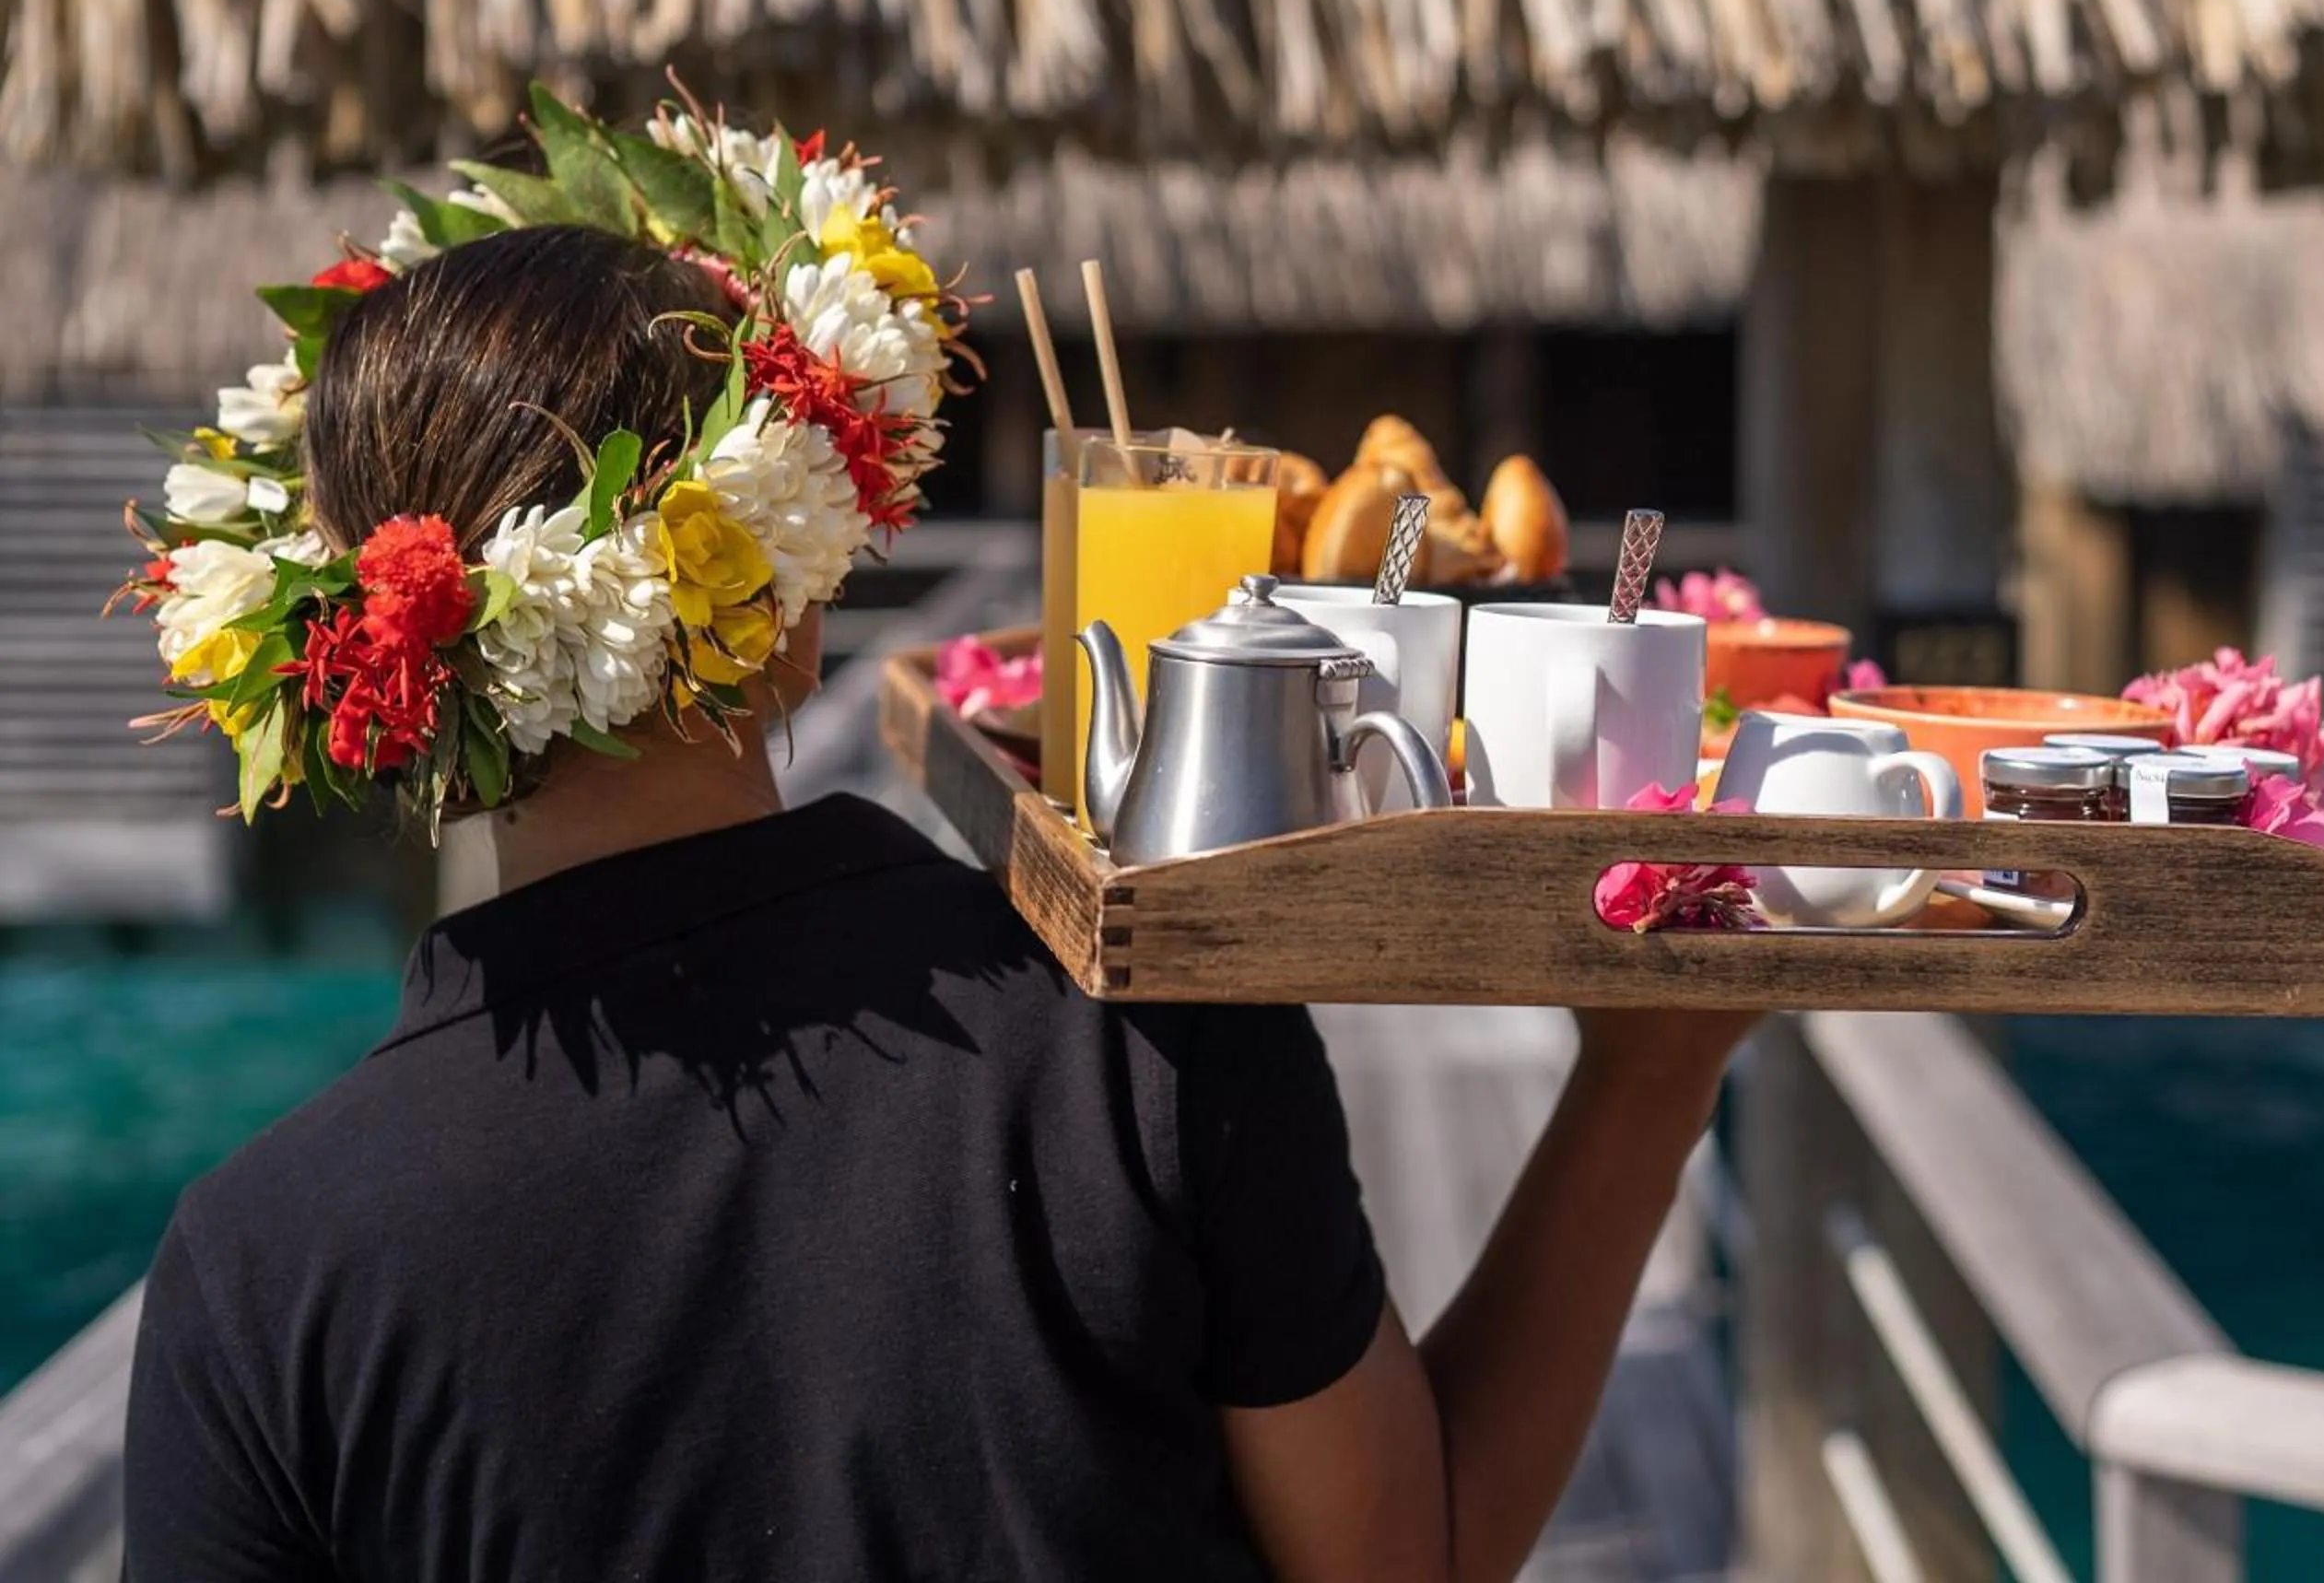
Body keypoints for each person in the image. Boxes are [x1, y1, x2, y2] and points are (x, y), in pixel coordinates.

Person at [119, 106, 1755, 1582]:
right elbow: (1413, 1560)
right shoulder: (1141, 1033)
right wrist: (1647, 1078)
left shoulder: (261, 1274)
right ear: (789, 607)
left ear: (362, 670)